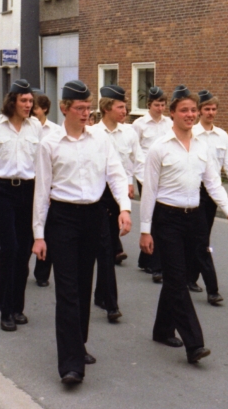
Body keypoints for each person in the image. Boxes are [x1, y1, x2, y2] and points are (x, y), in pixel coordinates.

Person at [32, 80, 131, 384]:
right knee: (67, 289)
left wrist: (124, 208)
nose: (87, 113)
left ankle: (79, 343)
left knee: (85, 283)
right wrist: (38, 234)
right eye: (80, 108)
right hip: (62, 217)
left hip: (94, 216)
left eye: (89, 107)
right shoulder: (49, 143)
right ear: (64, 108)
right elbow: (41, 189)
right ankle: (71, 365)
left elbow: (115, 173)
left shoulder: (100, 140)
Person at [140, 85, 228, 364]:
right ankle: (194, 343)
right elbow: (148, 190)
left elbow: (212, 182)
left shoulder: (202, 146)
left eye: (193, 110)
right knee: (177, 278)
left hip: (194, 217)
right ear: (172, 113)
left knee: (177, 276)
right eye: (184, 110)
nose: (190, 114)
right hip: (167, 218)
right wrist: (145, 230)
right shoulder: (159, 148)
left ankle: (162, 329)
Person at [0, 79, 42, 332]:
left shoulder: (35, 127)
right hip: (1, 191)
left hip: (28, 191)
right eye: (24, 100)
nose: (28, 105)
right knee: (10, 248)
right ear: (12, 101)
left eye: (30, 101)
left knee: (24, 250)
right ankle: (5, 311)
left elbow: (41, 165)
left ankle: (17, 307)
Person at [90, 85, 144, 321]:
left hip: (119, 195)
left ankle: (102, 294)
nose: (125, 111)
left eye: (125, 106)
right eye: (120, 106)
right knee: (104, 247)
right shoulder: (92, 133)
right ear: (107, 108)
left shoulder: (130, 133)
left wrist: (145, 185)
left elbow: (138, 162)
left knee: (108, 247)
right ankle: (111, 303)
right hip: (98, 196)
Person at [188, 90, 228, 305]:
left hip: (213, 191)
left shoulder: (222, 136)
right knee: (200, 239)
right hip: (193, 190)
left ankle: (189, 277)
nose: (211, 112)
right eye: (207, 109)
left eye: (213, 109)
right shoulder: (191, 133)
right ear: (200, 110)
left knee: (201, 237)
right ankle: (213, 289)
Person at [133, 86, 171, 282]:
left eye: (163, 104)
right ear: (149, 104)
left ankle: (146, 259)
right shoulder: (139, 125)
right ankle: (156, 265)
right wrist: (139, 177)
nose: (160, 108)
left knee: (159, 217)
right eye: (157, 104)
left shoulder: (169, 124)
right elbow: (135, 152)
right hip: (145, 176)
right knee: (154, 216)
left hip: (164, 176)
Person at [31, 92, 61, 287]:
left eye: (35, 108)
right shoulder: (26, 129)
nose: (32, 112)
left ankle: (42, 272)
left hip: (47, 183)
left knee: (47, 227)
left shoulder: (56, 132)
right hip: (29, 181)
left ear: (44, 110)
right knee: (30, 227)